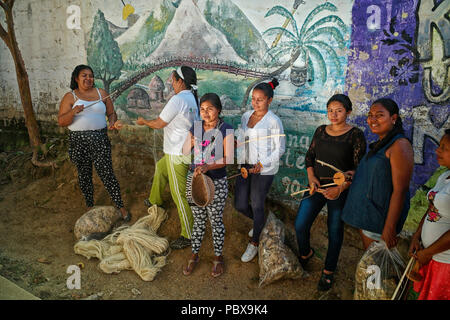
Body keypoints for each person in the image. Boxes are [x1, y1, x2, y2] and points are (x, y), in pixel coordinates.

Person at [294, 94, 366, 291]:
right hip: (316, 186)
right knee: (300, 224)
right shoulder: (320, 131)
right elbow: (310, 157)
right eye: (330, 110)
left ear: (348, 112)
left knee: (335, 231)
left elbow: (359, 169)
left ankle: (328, 271)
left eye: (339, 110)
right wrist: (311, 177)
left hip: (340, 191)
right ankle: (306, 253)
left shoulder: (355, 135)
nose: (333, 115)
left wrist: (340, 188)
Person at [136, 66, 199, 250]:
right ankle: (155, 200)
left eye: (172, 79)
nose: (170, 82)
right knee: (161, 168)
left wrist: (144, 122)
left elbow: (159, 123)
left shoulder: (178, 100)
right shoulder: (192, 98)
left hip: (177, 153)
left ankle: (188, 234)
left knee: (179, 195)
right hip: (184, 151)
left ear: (180, 81)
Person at [58, 64, 130, 221]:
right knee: (84, 175)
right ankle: (89, 206)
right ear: (76, 78)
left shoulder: (101, 93)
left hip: (100, 139)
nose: (88, 78)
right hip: (78, 141)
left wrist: (112, 122)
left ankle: (120, 207)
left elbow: (112, 113)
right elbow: (62, 121)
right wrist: (73, 112)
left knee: (107, 173)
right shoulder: (70, 97)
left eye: (91, 75)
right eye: (84, 75)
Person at [342, 98, 414, 250]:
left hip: (380, 221)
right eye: (370, 115)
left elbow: (400, 190)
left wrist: (389, 228)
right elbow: (380, 175)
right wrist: (356, 175)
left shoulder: (400, 145)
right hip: (369, 216)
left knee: (375, 269)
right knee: (371, 265)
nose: (372, 120)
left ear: (393, 118)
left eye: (379, 115)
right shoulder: (383, 143)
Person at [181, 93, 233, 277]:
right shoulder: (195, 127)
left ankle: (218, 258)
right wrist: (191, 142)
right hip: (194, 180)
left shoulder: (226, 129)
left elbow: (228, 158)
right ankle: (194, 254)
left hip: (216, 182)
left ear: (218, 110)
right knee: (198, 220)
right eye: (202, 109)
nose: (206, 113)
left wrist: (208, 166)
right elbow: (184, 150)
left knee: (215, 220)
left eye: (210, 109)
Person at [234, 78, 286, 263]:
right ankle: (260, 222)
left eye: (260, 99)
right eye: (253, 99)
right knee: (240, 204)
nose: (255, 103)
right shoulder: (246, 116)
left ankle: (255, 242)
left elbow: (280, 149)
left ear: (269, 100)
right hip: (246, 165)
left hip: (264, 169)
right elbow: (242, 138)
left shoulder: (273, 121)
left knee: (257, 203)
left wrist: (262, 164)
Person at [409, 129, 450, 300]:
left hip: (445, 261)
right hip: (431, 256)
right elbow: (432, 207)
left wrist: (427, 253)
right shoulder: (445, 176)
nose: (437, 151)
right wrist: (417, 236)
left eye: (444, 148)